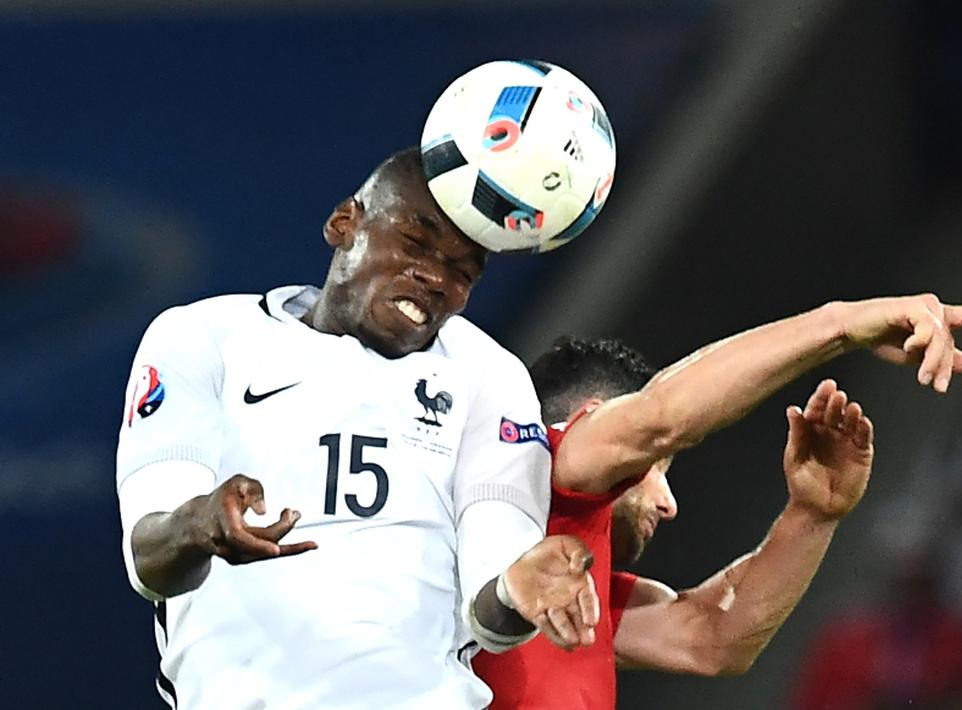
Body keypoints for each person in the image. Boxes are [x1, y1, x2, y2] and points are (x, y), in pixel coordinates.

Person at [115, 148, 600, 709]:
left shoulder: (489, 377)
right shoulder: (203, 337)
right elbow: (148, 560)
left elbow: (493, 611)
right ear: (344, 223)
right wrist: (198, 525)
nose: (434, 277)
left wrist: (519, 590)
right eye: (415, 245)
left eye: (462, 271)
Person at [474, 294, 962, 709]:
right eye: (657, 470)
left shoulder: (572, 591)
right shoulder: (540, 464)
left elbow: (712, 638)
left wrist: (813, 514)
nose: (669, 504)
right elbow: (662, 418)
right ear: (588, 421)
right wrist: (843, 324)